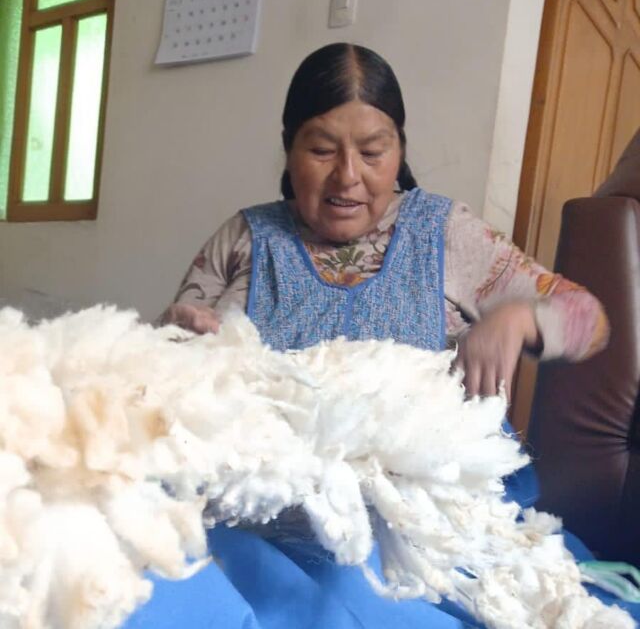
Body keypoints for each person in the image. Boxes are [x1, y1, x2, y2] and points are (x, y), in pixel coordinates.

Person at [139, 43, 633, 629]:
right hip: (263, 523)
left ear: (399, 149)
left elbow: (590, 319)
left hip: (415, 538)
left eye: (373, 152)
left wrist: (521, 318)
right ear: (289, 147)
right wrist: (175, 344)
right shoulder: (246, 239)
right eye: (322, 150)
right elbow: (164, 385)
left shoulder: (443, 232)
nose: (348, 176)